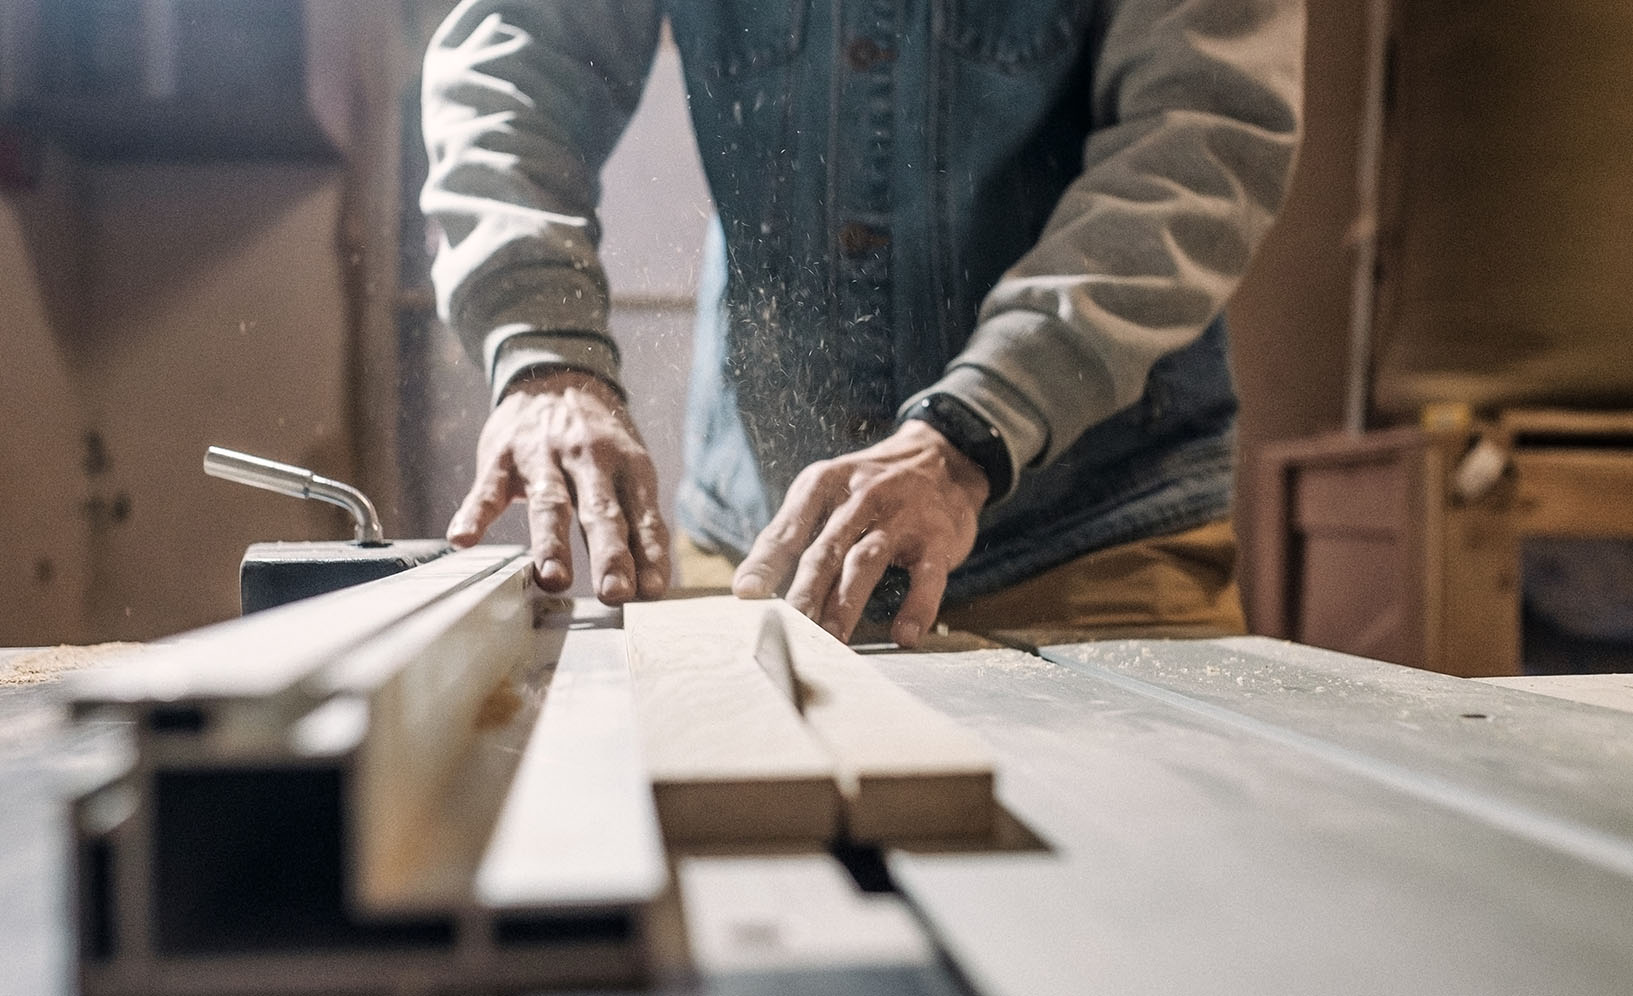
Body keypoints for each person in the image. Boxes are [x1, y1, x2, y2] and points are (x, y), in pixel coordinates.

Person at [421, 0, 1303, 647]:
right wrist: (543, 353)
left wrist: (975, 427)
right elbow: (508, 70)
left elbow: (1198, 140)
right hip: (762, 540)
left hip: (1087, 540)